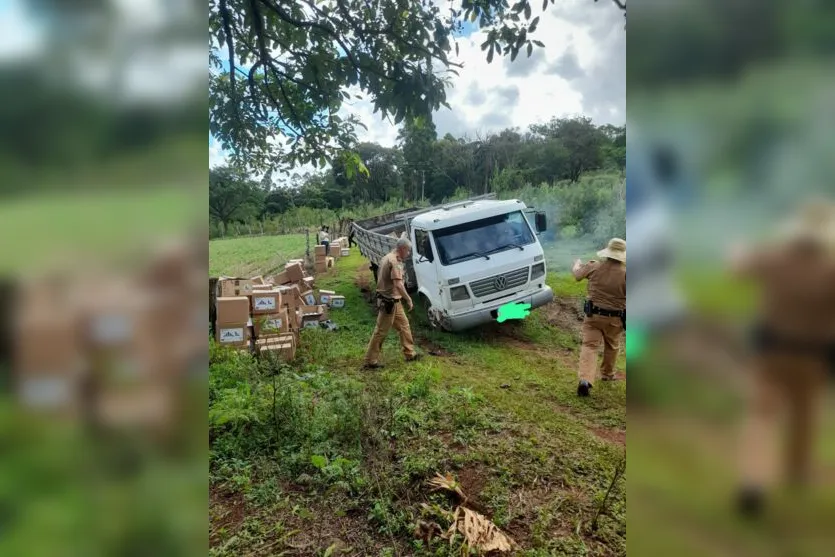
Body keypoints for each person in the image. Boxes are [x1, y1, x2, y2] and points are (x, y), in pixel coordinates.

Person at [727, 201, 835, 517]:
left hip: (772, 351)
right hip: (813, 355)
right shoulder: (830, 269)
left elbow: (736, 269)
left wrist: (737, 248)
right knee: (805, 415)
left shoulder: (775, 258)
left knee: (762, 416)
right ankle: (796, 472)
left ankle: (753, 480)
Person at [572, 238, 627, 397]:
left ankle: (585, 379)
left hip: (593, 316)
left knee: (589, 346)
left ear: (607, 252)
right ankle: (607, 374)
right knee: (612, 345)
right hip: (615, 318)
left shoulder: (594, 266)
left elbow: (577, 275)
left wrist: (577, 263)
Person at [363, 238, 421, 369]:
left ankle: (410, 354)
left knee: (404, 326)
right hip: (389, 302)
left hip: (393, 301)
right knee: (380, 332)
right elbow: (398, 284)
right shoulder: (395, 262)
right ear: (402, 249)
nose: (409, 253)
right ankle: (370, 361)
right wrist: (409, 299)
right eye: (408, 251)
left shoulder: (387, 257)